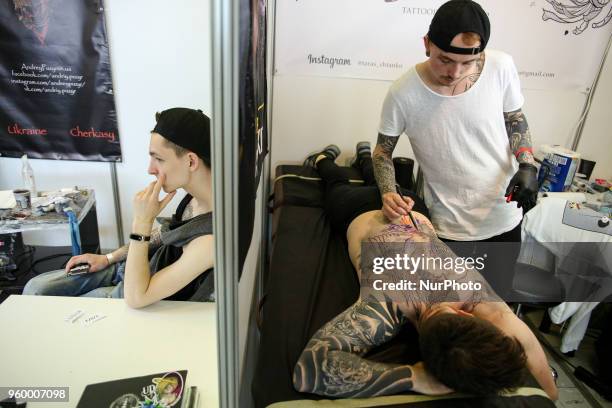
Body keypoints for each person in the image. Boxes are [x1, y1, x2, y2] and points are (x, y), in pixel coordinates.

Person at [293, 144, 558, 400]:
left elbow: (310, 368)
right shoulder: (390, 306)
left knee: (341, 182)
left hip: (378, 209)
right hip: (397, 206)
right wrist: (413, 377)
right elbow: (308, 370)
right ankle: (346, 158)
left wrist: (416, 377)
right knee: (357, 179)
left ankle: (336, 159)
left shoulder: (395, 303)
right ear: (465, 312)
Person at [372, 0, 539, 297]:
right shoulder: (402, 93)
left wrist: (526, 163)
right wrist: (388, 192)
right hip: (449, 228)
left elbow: (515, 117)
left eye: (468, 63)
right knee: (452, 311)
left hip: (503, 218)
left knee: (497, 308)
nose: (455, 72)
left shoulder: (501, 66)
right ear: (427, 44)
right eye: (445, 60)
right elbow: (383, 152)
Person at [22, 108, 215, 308]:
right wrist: (108, 258)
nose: (150, 169)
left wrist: (142, 222)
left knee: (59, 311)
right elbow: (166, 234)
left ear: (191, 161)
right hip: (132, 267)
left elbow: (137, 298)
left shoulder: (210, 242)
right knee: (35, 288)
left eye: (159, 159)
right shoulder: (194, 197)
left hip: (138, 289)